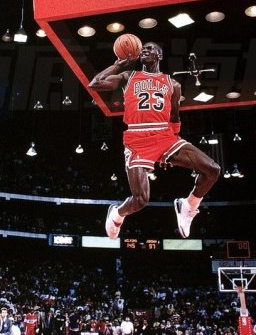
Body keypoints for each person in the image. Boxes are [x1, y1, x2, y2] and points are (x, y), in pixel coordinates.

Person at [89, 41, 220, 239]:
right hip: (137, 138)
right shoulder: (128, 76)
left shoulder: (173, 84)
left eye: (150, 48)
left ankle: (188, 206)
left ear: (159, 55)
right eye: (143, 48)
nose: (144, 50)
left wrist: (171, 147)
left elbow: (174, 116)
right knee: (140, 200)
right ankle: (117, 213)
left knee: (213, 170)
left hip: (165, 136)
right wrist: (117, 65)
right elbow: (95, 84)